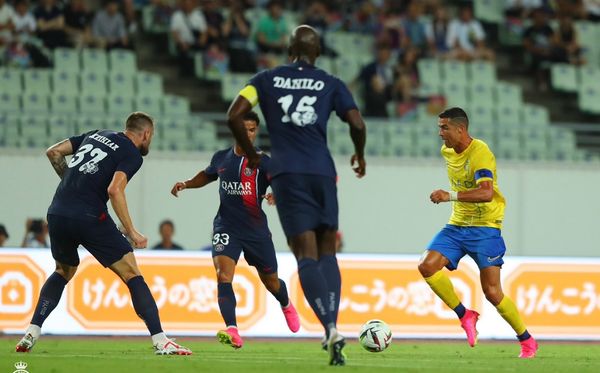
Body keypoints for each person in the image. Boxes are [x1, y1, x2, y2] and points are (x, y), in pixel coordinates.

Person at [225, 25, 367, 366]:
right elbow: (357, 123)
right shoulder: (331, 82)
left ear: (289, 50)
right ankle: (333, 324)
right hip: (322, 172)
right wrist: (359, 155)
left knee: (304, 253)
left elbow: (234, 115)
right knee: (327, 250)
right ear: (317, 52)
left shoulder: (264, 79)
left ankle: (329, 328)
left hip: (287, 173)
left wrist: (251, 152)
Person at [15, 112, 191, 356]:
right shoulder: (131, 153)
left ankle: (32, 331)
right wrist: (132, 231)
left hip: (57, 213)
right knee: (132, 273)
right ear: (146, 134)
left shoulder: (95, 134)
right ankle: (161, 341)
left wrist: (74, 184)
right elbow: (115, 190)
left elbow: (53, 152)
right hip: (88, 216)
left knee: (63, 271)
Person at [170, 111, 300, 349]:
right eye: (244, 129)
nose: (248, 134)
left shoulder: (264, 162)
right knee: (223, 275)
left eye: (252, 130)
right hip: (226, 226)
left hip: (255, 231)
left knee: (271, 282)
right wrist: (187, 183)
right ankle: (233, 329)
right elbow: (207, 175)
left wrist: (275, 195)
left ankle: (285, 303)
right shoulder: (221, 158)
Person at [418, 107, 538, 359]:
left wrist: (447, 195)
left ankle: (527, 340)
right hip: (457, 226)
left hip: (485, 228)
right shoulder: (447, 151)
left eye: (444, 128)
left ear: (460, 129)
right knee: (427, 266)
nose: (440, 133)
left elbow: (486, 193)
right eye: (439, 127)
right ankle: (465, 315)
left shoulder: (481, 153)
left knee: (492, 292)